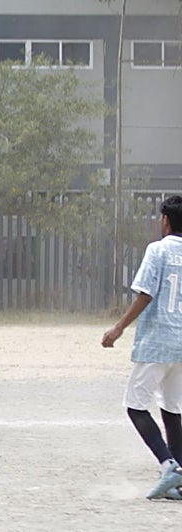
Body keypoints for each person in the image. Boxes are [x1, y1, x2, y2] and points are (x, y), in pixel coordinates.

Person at [102, 195, 182, 500]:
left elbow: (145, 294)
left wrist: (118, 328)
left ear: (165, 220)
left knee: (135, 405)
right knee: (172, 409)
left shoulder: (157, 250)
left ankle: (168, 465)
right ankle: (179, 479)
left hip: (157, 342)